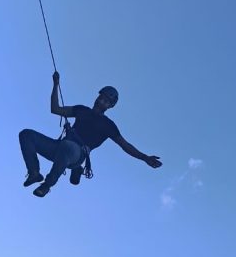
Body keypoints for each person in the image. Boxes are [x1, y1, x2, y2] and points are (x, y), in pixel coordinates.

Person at [19, 72, 162, 197]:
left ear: (110, 106)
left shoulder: (108, 125)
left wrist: (145, 157)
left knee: (67, 146)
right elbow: (55, 109)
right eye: (101, 97)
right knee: (26, 135)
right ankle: (34, 173)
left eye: (106, 101)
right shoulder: (81, 110)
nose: (101, 101)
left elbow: (125, 145)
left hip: (76, 154)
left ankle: (47, 185)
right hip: (59, 148)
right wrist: (55, 85)